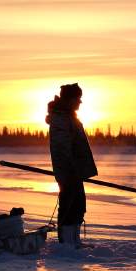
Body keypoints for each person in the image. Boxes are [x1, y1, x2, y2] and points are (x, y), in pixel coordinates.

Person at [46, 83, 98, 248]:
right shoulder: (61, 118)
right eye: (77, 98)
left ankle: (74, 241)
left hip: (74, 170)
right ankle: (67, 243)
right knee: (69, 205)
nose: (80, 102)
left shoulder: (68, 116)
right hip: (68, 171)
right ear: (69, 99)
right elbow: (62, 148)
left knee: (78, 205)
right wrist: (72, 169)